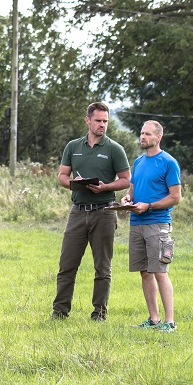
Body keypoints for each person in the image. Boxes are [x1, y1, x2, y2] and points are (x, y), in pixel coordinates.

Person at [52, 102, 131, 321]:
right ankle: (59, 312)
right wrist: (74, 184)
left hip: (104, 212)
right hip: (77, 212)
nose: (102, 125)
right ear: (88, 120)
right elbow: (61, 177)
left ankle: (99, 314)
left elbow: (126, 180)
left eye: (105, 121)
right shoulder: (73, 147)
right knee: (67, 265)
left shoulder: (114, 149)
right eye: (98, 120)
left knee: (102, 268)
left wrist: (105, 187)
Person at [120, 120, 181, 332]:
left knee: (160, 271)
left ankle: (170, 322)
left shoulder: (168, 163)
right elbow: (132, 190)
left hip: (158, 223)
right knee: (144, 272)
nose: (142, 137)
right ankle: (153, 319)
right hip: (136, 223)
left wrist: (150, 206)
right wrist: (126, 200)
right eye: (141, 133)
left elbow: (175, 197)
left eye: (147, 134)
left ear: (158, 137)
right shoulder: (138, 162)